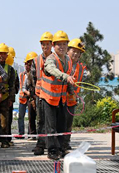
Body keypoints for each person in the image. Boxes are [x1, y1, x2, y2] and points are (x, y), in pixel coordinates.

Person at [42, 31, 75, 160]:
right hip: (49, 98)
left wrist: (71, 91)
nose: (61, 47)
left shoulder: (68, 59)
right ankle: (52, 151)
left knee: (62, 125)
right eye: (58, 44)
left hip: (61, 98)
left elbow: (69, 77)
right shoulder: (50, 59)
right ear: (53, 46)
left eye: (64, 44)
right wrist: (65, 77)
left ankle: (61, 149)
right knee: (51, 127)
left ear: (67, 45)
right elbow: (52, 70)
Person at [31, 32, 53, 155]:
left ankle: (51, 144)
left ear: (51, 45)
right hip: (40, 95)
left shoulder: (56, 59)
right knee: (41, 121)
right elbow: (33, 79)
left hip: (52, 95)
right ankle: (40, 144)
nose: (45, 47)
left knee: (52, 121)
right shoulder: (36, 60)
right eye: (43, 44)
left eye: (47, 44)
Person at [64, 38, 87, 150]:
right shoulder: (63, 62)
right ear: (68, 51)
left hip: (72, 100)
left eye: (79, 52)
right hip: (60, 99)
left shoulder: (80, 67)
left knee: (68, 124)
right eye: (74, 51)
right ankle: (56, 144)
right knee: (59, 123)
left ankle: (66, 143)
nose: (76, 54)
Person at [0, 43, 16, 148]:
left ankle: (4, 140)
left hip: (6, 98)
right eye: (0, 53)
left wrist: (11, 98)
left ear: (7, 55)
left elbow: (12, 85)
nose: (2, 56)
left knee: (4, 121)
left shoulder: (10, 69)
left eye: (4, 54)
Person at [18, 52, 38, 138]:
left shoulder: (37, 74)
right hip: (25, 98)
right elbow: (22, 87)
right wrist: (28, 93)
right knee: (24, 117)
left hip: (34, 98)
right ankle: (22, 133)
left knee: (35, 117)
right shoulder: (23, 75)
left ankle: (32, 134)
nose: (29, 66)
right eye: (27, 64)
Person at [5, 47, 18, 146]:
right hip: (6, 98)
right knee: (6, 120)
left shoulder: (12, 70)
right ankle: (6, 139)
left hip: (7, 98)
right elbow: (15, 87)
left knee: (7, 120)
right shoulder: (11, 69)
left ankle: (6, 139)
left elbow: (15, 86)